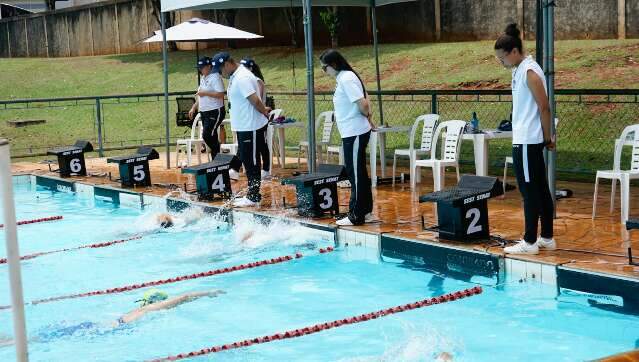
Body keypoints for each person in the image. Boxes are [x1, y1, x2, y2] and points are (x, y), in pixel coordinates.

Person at [495, 24, 556, 255]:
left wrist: (547, 137)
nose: (501, 62)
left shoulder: (530, 71)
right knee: (539, 190)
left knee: (530, 192)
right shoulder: (518, 70)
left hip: (528, 142)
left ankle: (530, 242)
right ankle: (547, 238)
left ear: (513, 52)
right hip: (525, 140)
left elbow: (544, 107)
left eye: (502, 58)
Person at [319, 49, 374, 226]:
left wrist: (367, 117)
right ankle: (364, 210)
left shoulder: (346, 78)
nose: (324, 71)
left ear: (333, 64)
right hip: (352, 131)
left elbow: (363, 104)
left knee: (355, 173)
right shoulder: (343, 78)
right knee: (358, 172)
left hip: (355, 131)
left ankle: (356, 215)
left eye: (324, 68)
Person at [212, 52, 271, 208]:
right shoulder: (236, 76)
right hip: (244, 126)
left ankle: (253, 196)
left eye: (219, 70)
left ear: (227, 64)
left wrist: (264, 111)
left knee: (251, 162)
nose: (220, 73)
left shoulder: (243, 77)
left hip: (250, 126)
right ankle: (252, 194)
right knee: (247, 159)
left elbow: (255, 100)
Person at [188, 56, 226, 160]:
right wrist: (194, 107)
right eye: (199, 68)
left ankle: (221, 158)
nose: (200, 70)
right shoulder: (204, 78)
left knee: (207, 135)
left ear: (209, 66)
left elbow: (220, 94)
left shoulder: (215, 77)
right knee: (211, 136)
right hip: (204, 111)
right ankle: (217, 159)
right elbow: (200, 95)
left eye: (202, 67)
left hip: (215, 110)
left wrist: (205, 93)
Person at [241, 57, 272, 180]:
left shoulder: (257, 81)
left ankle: (266, 169)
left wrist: (263, 110)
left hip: (260, 116)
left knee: (261, 144)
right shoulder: (247, 80)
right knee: (257, 145)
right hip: (252, 117)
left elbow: (256, 99)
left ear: (250, 68)